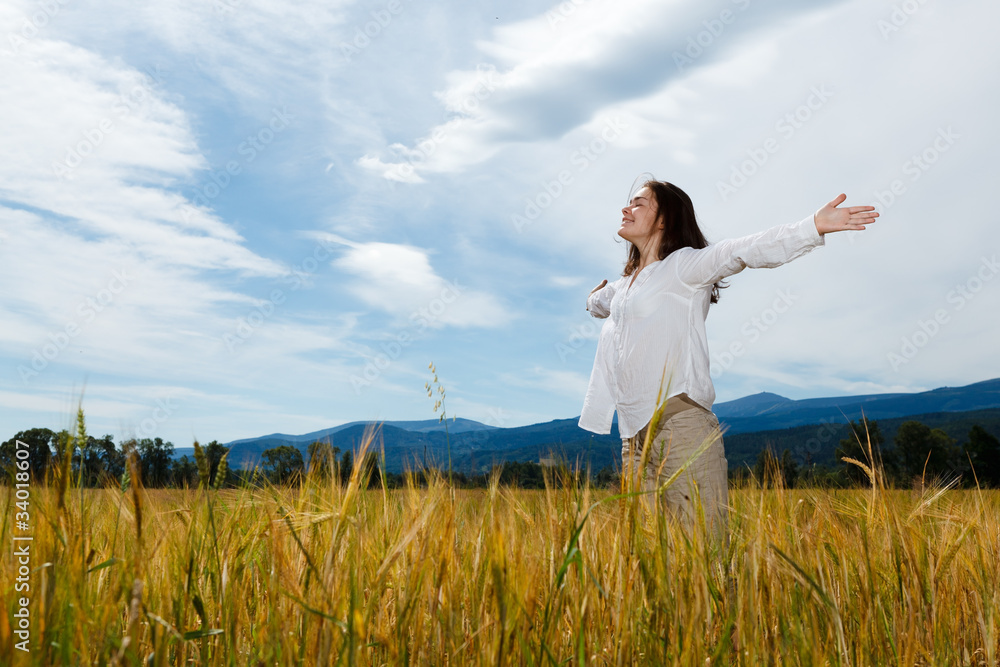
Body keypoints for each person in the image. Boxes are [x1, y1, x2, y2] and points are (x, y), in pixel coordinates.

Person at [578, 178, 878, 547]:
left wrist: (810, 227)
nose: (626, 208)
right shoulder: (624, 287)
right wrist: (592, 300)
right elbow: (601, 302)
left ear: (663, 220)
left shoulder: (684, 267)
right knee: (649, 557)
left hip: (679, 424)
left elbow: (741, 250)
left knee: (704, 551)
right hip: (632, 437)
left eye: (638, 203)